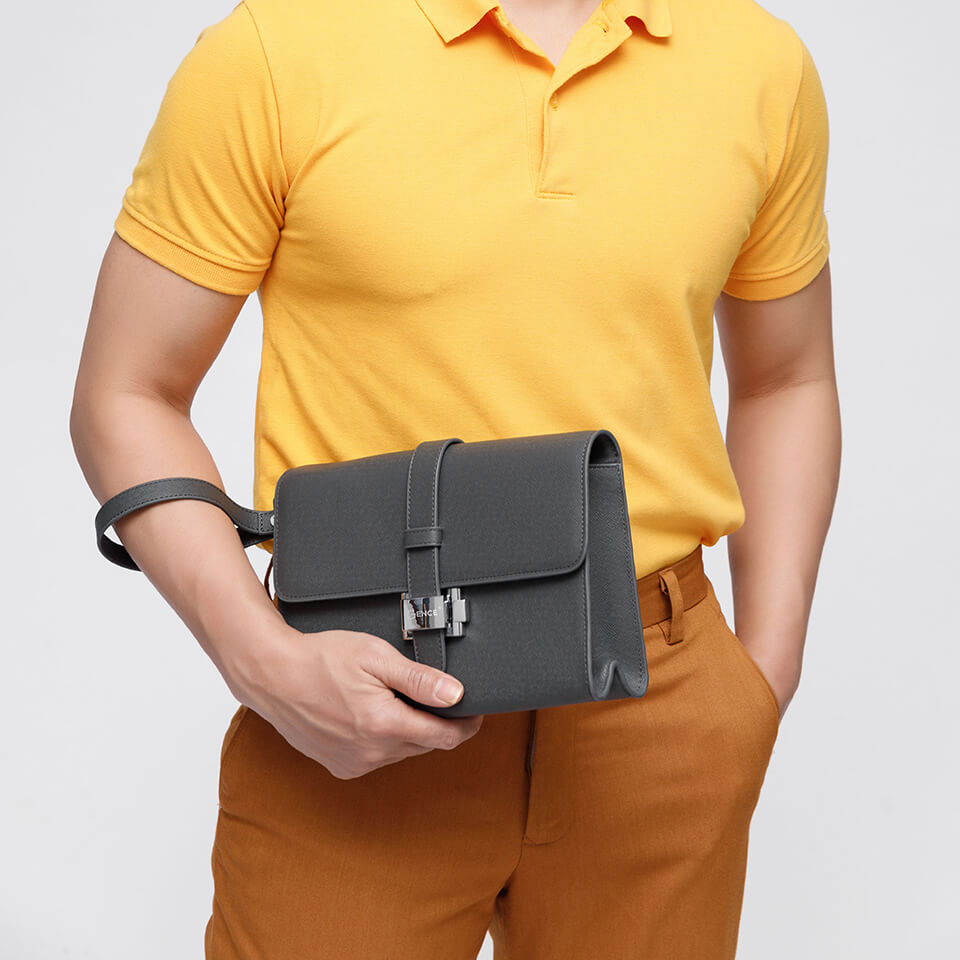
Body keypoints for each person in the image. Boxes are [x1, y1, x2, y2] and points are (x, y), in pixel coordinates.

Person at [70, 0, 841, 956]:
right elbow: (126, 392)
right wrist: (261, 661)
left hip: (660, 700)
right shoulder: (275, 48)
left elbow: (786, 379)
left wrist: (764, 673)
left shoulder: (758, 61)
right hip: (360, 697)